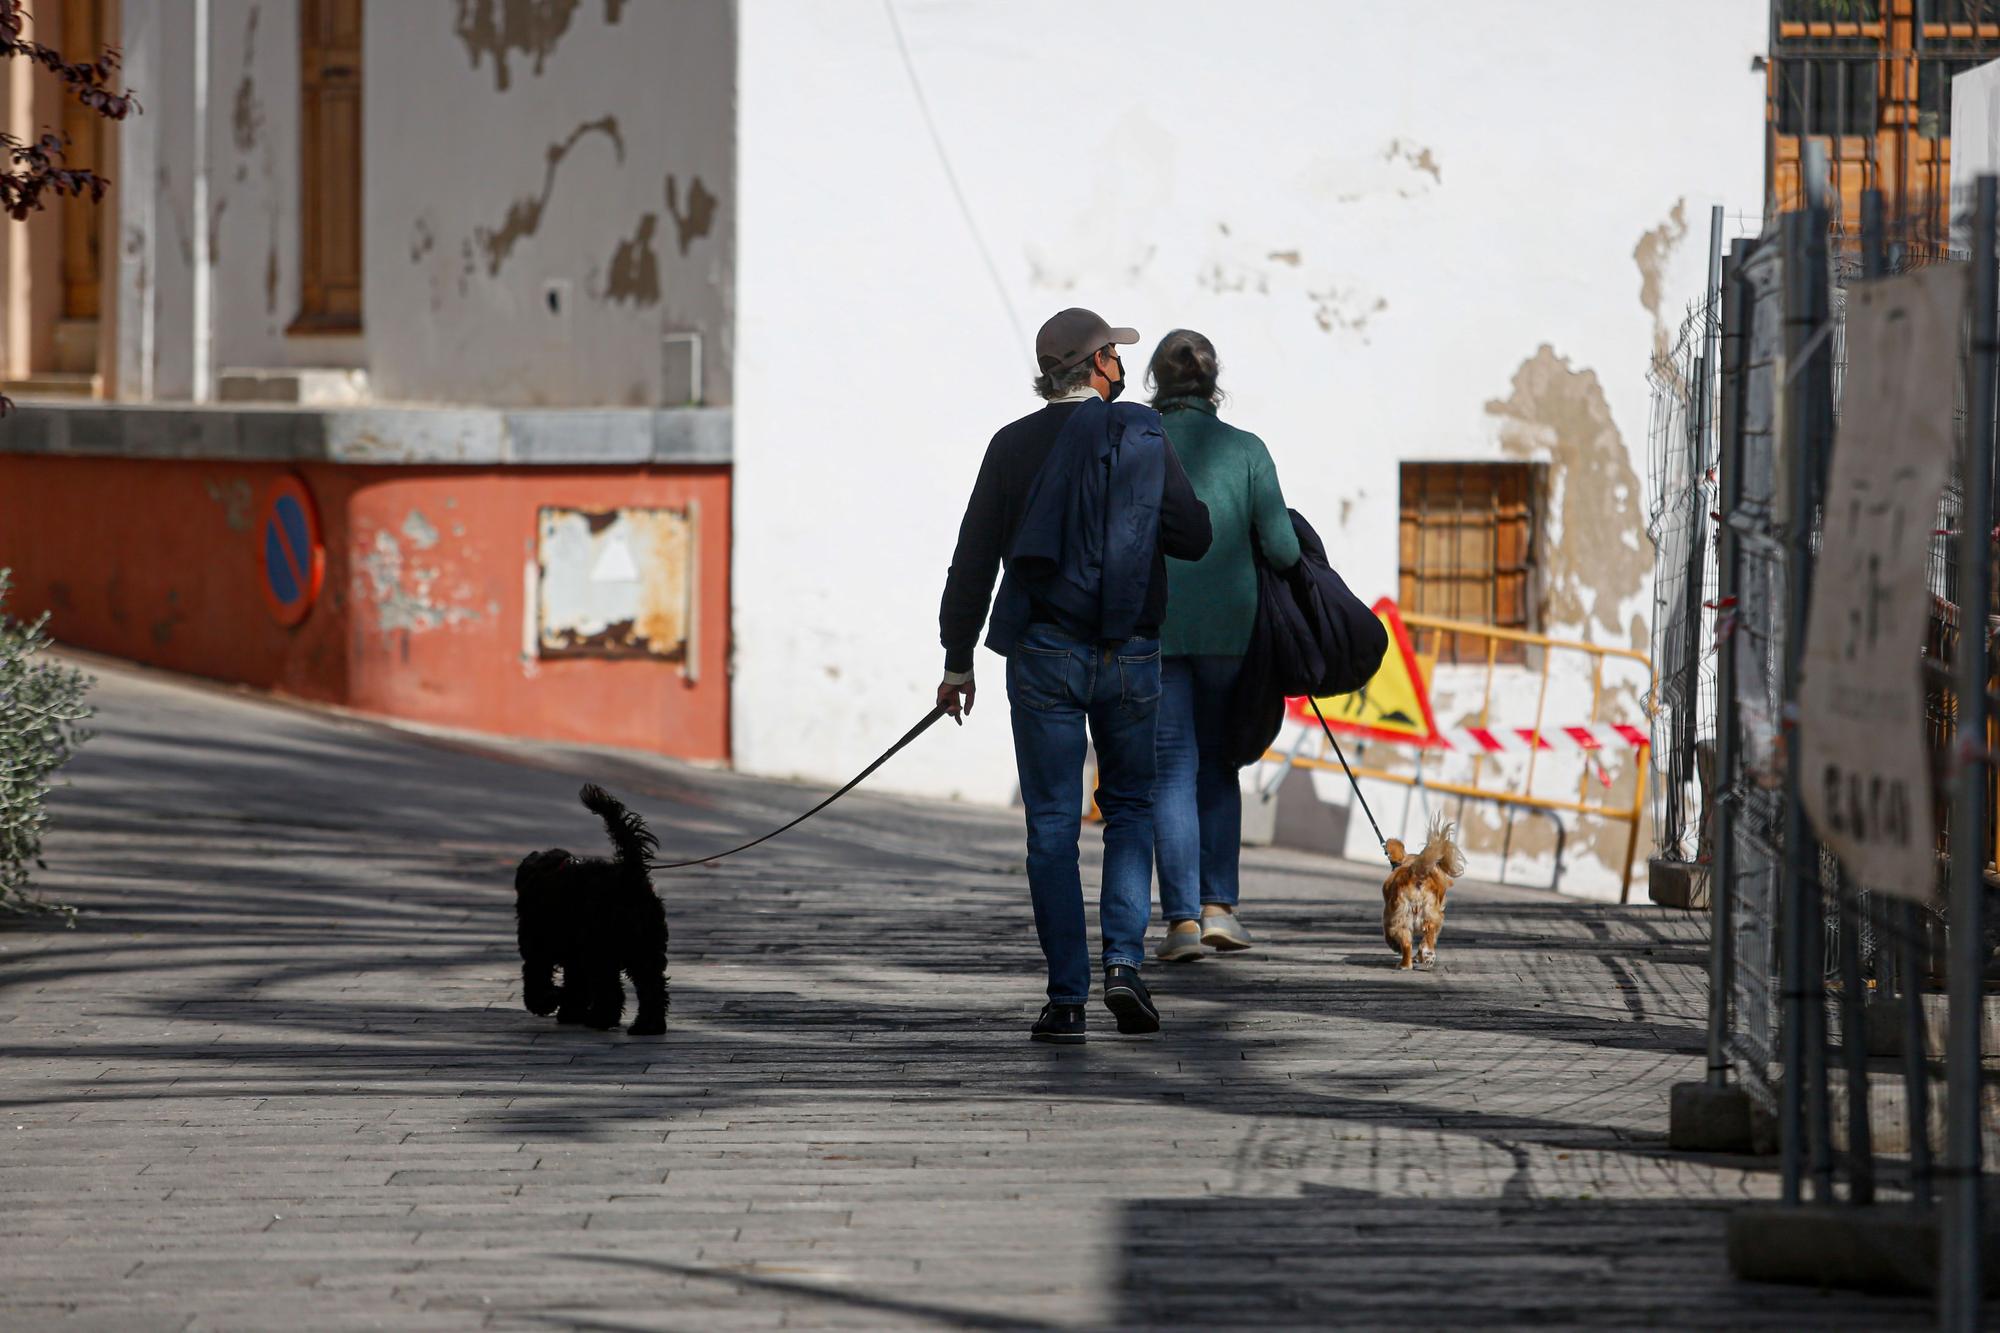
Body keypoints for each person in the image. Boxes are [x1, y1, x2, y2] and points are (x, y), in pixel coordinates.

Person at [937, 308, 1212, 1043]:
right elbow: (1195, 534)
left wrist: (956, 660)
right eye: (1114, 355)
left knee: (1053, 825)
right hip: (1131, 654)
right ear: (1098, 367)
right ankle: (1124, 962)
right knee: (1128, 809)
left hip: (1043, 653)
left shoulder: (1011, 446)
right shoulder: (1143, 436)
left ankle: (1065, 999)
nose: (1121, 364)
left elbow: (973, 562)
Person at [1146, 329, 1300, 962]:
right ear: (1214, 384)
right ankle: (1220, 910)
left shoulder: (1139, 441)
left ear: (1157, 381)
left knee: (1170, 772)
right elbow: (1285, 550)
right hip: (1231, 637)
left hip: (1152, 632)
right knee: (1218, 767)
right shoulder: (1247, 451)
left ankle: (1180, 924)